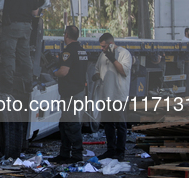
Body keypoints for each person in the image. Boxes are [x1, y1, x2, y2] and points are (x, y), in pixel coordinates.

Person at [50, 25, 88, 164]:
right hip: (78, 91)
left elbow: (63, 72)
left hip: (70, 93)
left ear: (66, 35)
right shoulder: (82, 50)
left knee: (71, 124)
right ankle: (64, 153)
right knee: (65, 123)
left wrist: (54, 72)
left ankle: (76, 154)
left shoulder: (69, 51)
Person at [93, 33, 132, 161]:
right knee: (108, 124)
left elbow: (123, 71)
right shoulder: (102, 55)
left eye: (103, 46)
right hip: (106, 95)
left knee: (120, 124)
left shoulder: (124, 54)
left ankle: (120, 152)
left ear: (110, 44)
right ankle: (110, 150)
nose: (102, 49)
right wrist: (97, 75)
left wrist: (113, 58)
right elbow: (97, 68)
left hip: (118, 95)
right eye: (101, 46)